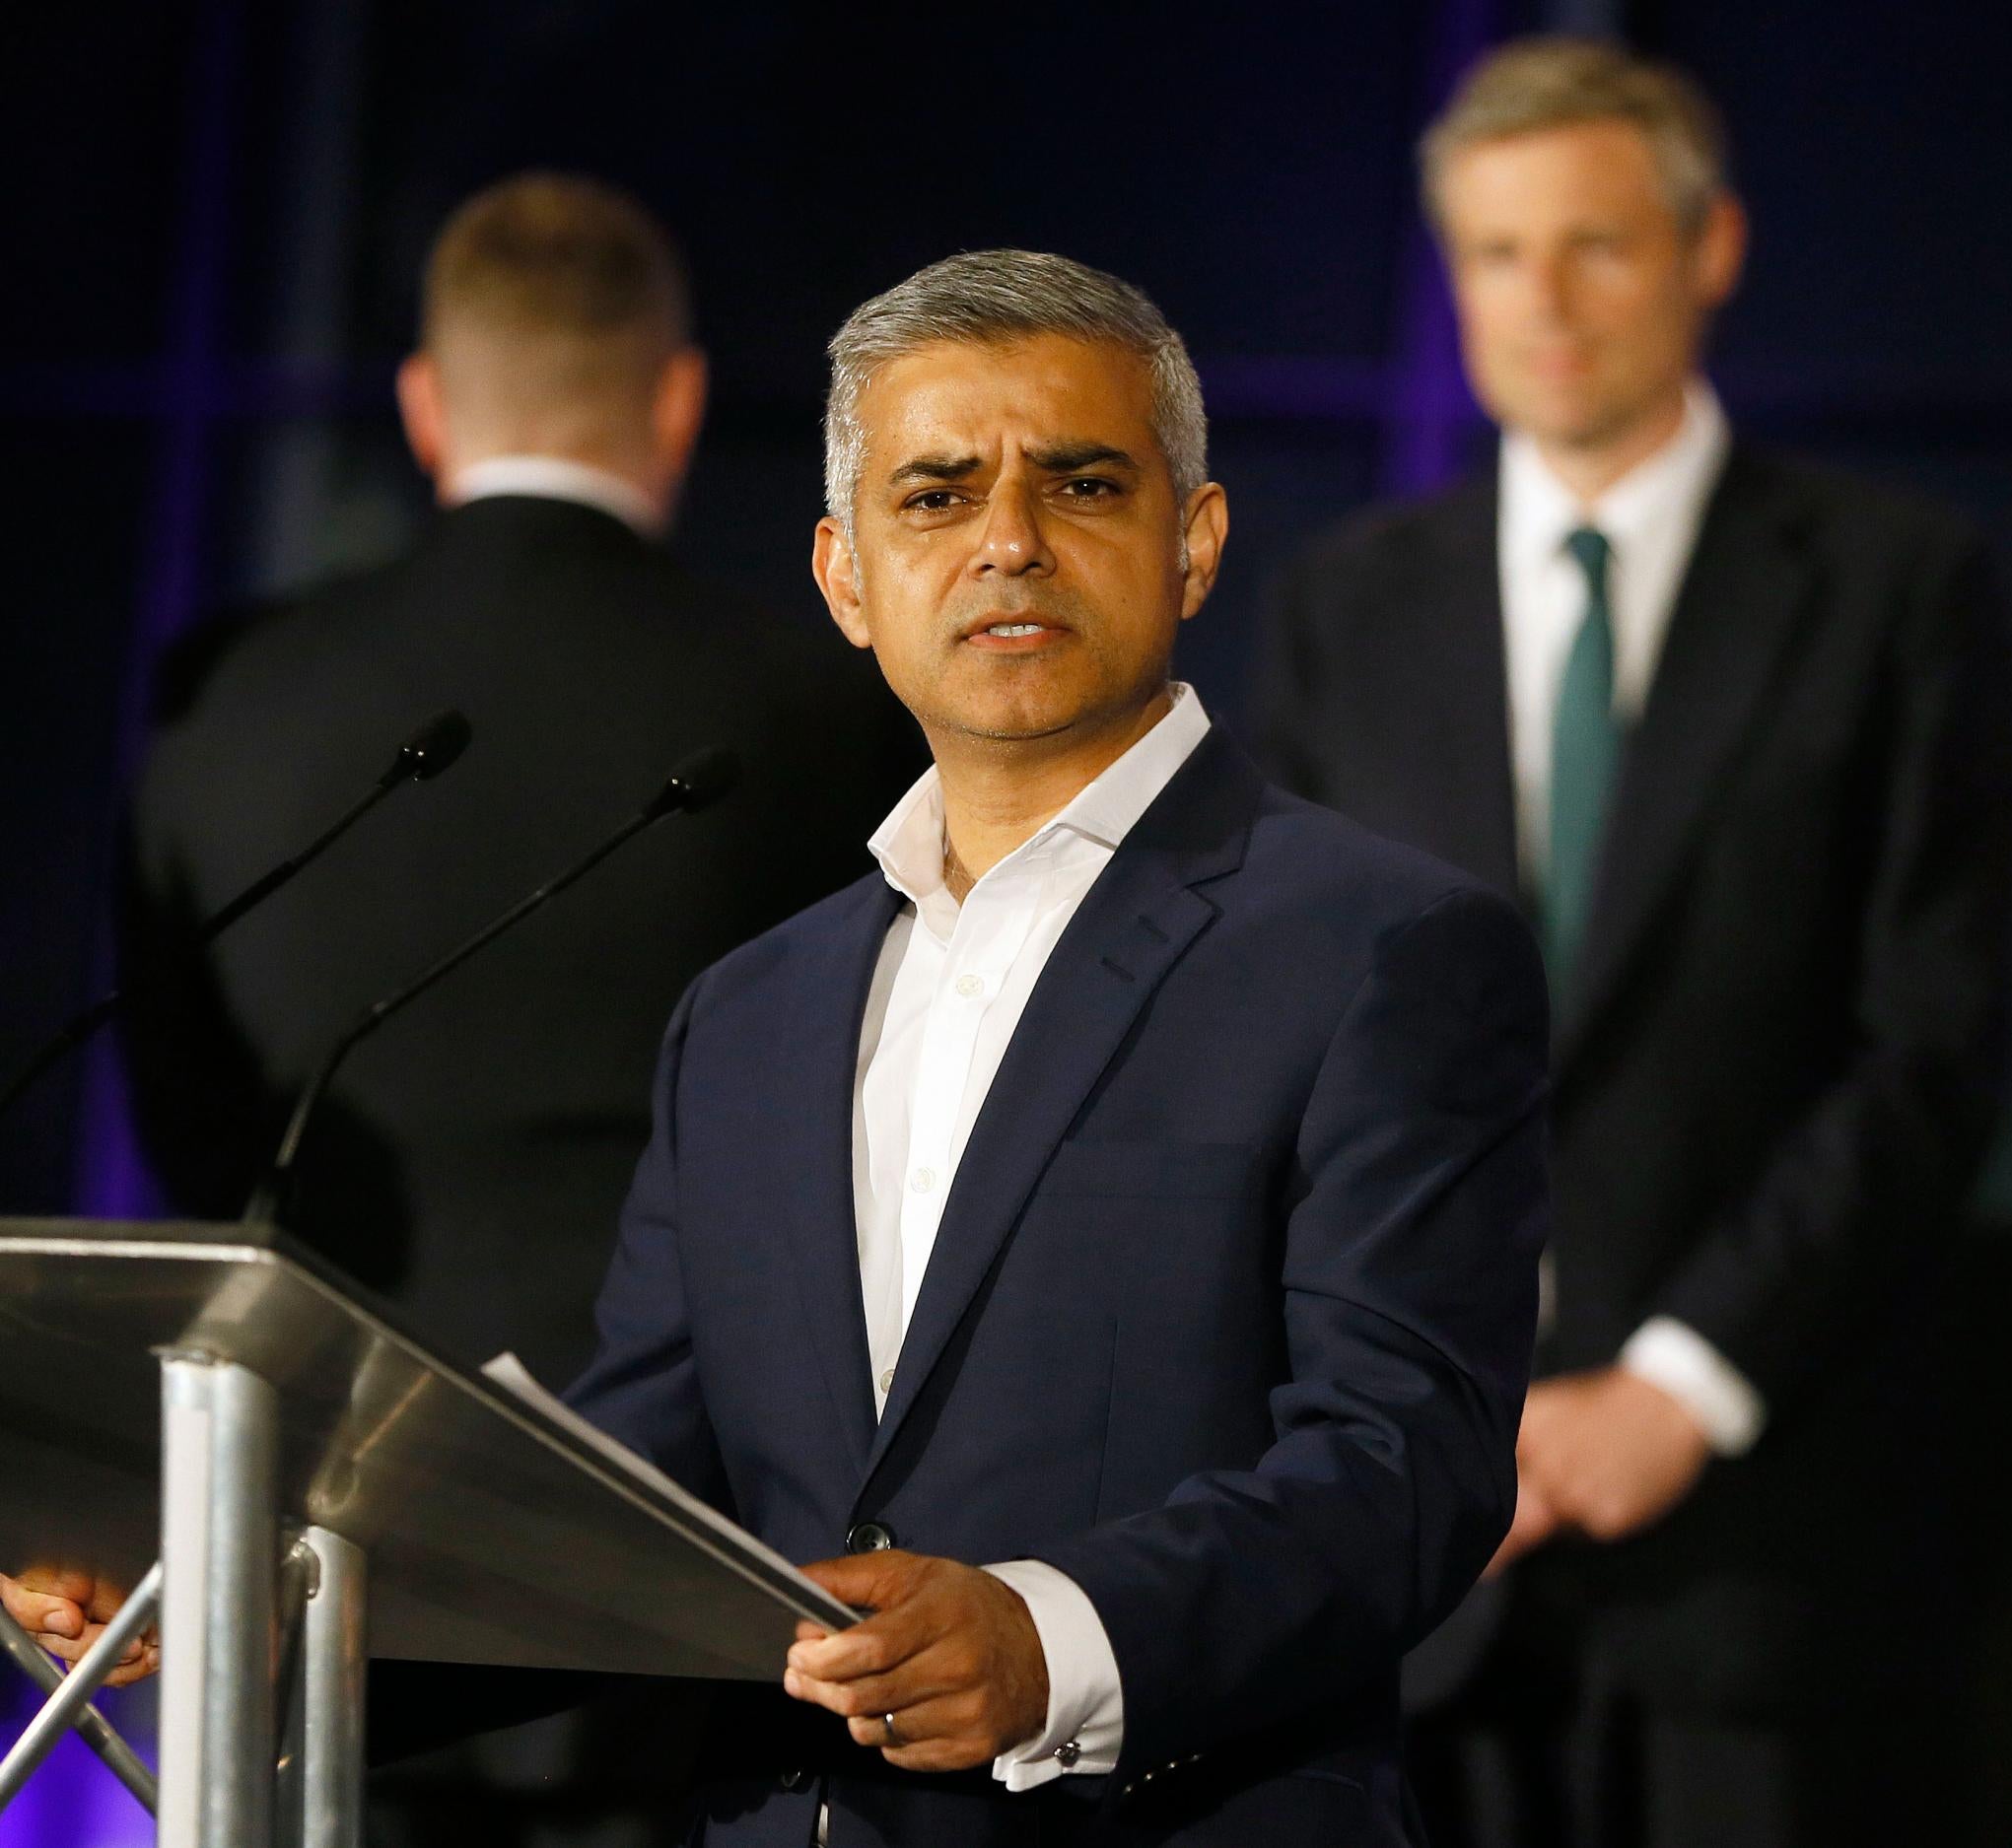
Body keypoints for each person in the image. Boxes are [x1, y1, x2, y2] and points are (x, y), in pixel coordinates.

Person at [12, 248, 1552, 1848]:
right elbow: (630, 1499)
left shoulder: (1383, 948)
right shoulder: (753, 1011)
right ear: (845, 578)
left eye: (1081, 484)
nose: (1008, 541)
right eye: (937, 497)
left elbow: (1403, 1462)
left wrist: (1051, 1640)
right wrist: (283, 1597)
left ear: (1196, 543)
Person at [1253, 37, 2012, 1848]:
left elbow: (1933, 1044)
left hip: (1758, 1559)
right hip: (1422, 1560)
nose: (1545, 300)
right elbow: (1288, 1052)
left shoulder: (1900, 584)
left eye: (1595, 242)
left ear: (1712, 247)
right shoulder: (1344, 608)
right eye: (1497, 254)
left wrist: (1678, 1382)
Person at [109, 171, 916, 1848]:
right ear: (678, 400)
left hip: (320, 1565)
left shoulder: (230, 707)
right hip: (702, 1579)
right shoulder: (830, 711)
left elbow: (188, 1123)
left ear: (422, 402)